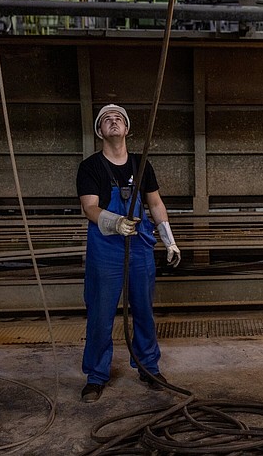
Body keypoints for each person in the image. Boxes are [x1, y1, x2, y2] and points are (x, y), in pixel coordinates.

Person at [75, 104, 181, 403]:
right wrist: (115, 222)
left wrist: (169, 239)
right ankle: (96, 376)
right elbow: (90, 207)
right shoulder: (90, 167)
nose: (113, 121)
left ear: (127, 129)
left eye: (118, 118)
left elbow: (155, 203)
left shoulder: (142, 164)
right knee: (100, 313)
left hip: (139, 247)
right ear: (100, 131)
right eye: (106, 119)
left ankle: (148, 368)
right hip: (106, 248)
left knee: (144, 311)